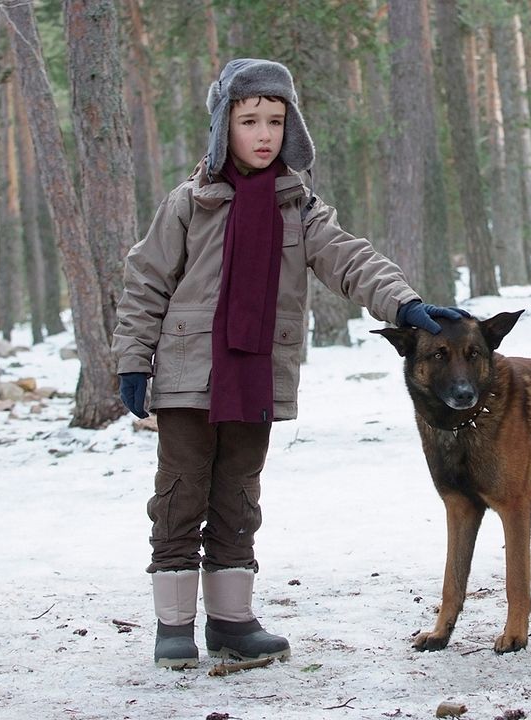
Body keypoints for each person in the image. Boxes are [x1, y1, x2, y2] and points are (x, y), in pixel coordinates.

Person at [112, 58, 464, 669]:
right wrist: (132, 360)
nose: (264, 133)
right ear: (226, 126)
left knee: (238, 495)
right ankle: (174, 625)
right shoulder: (190, 202)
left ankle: (231, 621)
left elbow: (350, 260)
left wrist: (403, 303)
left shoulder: (297, 206)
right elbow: (146, 281)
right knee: (180, 492)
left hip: (256, 376)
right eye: (250, 120)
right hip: (188, 374)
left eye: (275, 120)